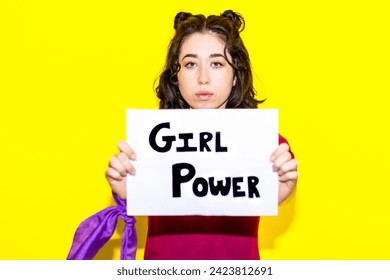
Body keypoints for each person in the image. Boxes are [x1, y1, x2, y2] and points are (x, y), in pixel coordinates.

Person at [107, 10, 298, 260]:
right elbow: (146, 192)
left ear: (235, 75)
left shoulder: (264, 142)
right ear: (176, 76)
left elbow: (272, 189)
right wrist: (127, 192)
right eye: (190, 64)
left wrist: (281, 192)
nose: (203, 78)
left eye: (217, 64)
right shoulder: (149, 143)